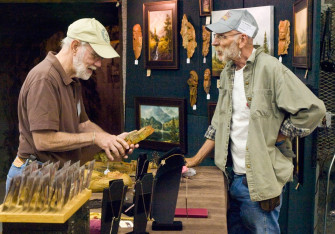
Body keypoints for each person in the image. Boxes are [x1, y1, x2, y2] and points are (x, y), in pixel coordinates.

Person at [186, 9, 326, 233]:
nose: (215, 43)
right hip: (229, 177)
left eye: (222, 37)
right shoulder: (227, 73)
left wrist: (280, 134)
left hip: (257, 183)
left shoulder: (271, 69)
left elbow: (314, 110)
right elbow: (218, 124)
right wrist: (196, 158)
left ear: (242, 39)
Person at [6, 18, 137, 193]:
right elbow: (43, 141)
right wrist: (95, 139)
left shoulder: (72, 80)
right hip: (32, 179)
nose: (99, 64)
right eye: (95, 56)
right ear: (75, 46)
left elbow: (83, 125)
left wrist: (111, 141)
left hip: (56, 176)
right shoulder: (44, 79)